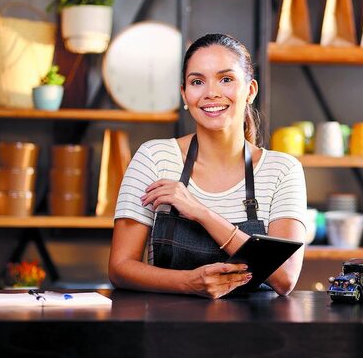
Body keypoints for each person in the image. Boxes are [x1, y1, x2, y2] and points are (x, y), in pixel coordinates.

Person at [108, 33, 307, 299]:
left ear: (250, 91)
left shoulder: (282, 170)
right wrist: (189, 283)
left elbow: (284, 278)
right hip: (168, 330)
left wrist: (201, 212)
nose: (211, 93)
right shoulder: (154, 158)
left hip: (257, 333)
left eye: (226, 79)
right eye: (197, 81)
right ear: (184, 94)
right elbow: (120, 268)